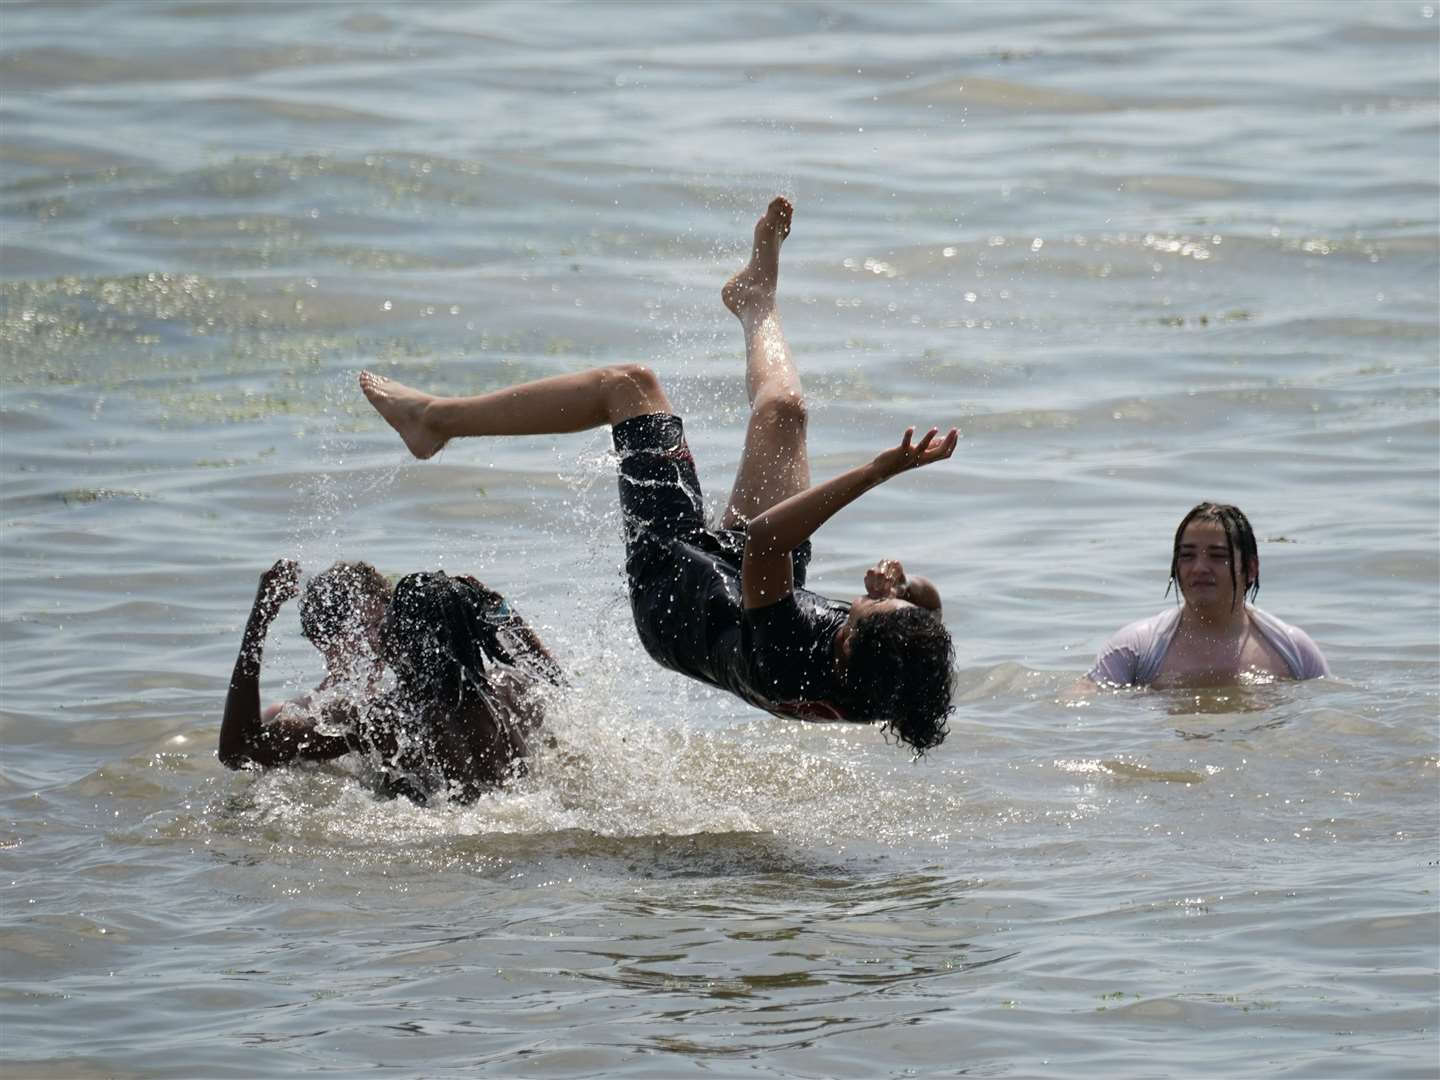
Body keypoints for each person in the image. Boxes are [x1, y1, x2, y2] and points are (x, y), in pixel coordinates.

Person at [358, 197, 958, 752]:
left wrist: (878, 472)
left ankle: (433, 421)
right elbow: (921, 613)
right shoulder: (897, 680)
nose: (864, 599)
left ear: (849, 643)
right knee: (784, 413)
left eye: (865, 610)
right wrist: (902, 594)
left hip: (676, 594)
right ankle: (755, 300)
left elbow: (766, 540)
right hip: (750, 588)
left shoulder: (788, 653)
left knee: (629, 386)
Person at [219, 561, 560, 804]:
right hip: (526, 813)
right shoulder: (514, 688)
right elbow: (557, 681)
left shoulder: (385, 719)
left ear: (400, 644)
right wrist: (500, 610)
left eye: (387, 623)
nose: (379, 634)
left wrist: (259, 622)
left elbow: (238, 750)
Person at [355, 570, 562, 804]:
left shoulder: (389, 716)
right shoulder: (512, 688)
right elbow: (550, 673)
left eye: (390, 616)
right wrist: (501, 609)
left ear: (405, 639)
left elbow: (306, 746)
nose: (382, 627)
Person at [1081, 502, 1330, 689]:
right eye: (1187, 556)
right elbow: (1088, 706)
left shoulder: (1294, 650)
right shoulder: (1135, 648)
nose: (1199, 568)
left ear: (1251, 568)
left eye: (1217, 556)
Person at [219, 558, 389, 770]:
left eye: (380, 624)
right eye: (363, 625)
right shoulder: (285, 713)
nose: (377, 638)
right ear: (322, 638)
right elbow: (240, 756)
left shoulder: (392, 709)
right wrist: (259, 622)